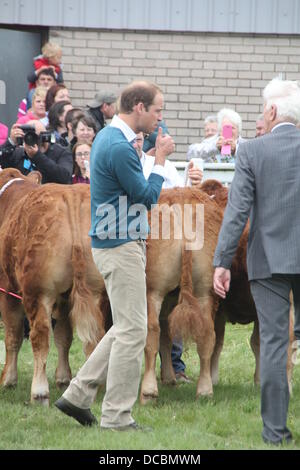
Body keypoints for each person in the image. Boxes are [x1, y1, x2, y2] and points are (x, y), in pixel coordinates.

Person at [55, 80, 175, 431]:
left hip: (114, 243)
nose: (159, 117)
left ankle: (77, 395)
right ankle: (117, 416)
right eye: (157, 110)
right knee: (135, 330)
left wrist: (148, 158)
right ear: (139, 107)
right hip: (120, 245)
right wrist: (161, 160)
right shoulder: (119, 146)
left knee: (125, 327)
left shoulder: (112, 139)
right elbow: (146, 197)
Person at [212, 77, 300, 446]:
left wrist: (221, 260)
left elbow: (237, 212)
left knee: (275, 345)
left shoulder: (251, 151)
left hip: (268, 260)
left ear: (272, 111)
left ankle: (275, 433)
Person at [134, 131, 202, 382]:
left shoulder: (169, 167)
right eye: (137, 139)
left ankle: (173, 365)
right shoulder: (133, 163)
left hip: (168, 237)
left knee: (169, 302)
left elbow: (180, 197)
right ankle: (160, 367)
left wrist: (193, 185)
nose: (139, 144)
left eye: (142, 139)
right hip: (145, 236)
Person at [0, 120, 73, 184]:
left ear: (45, 136)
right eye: (27, 136)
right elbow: (3, 166)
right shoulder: (18, 154)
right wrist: (10, 143)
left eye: (34, 136)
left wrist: (37, 156)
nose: (30, 139)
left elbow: (65, 177)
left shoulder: (61, 153)